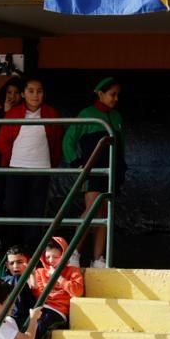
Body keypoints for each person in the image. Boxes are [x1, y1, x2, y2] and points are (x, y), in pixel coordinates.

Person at [0, 74, 64, 250]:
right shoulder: (13, 114)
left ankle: (32, 251)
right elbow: (1, 141)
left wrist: (51, 165)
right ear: (23, 94)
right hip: (15, 169)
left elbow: (57, 143)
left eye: (39, 91)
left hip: (41, 170)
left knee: (36, 210)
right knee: (11, 207)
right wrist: (14, 159)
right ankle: (11, 250)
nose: (35, 95)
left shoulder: (52, 114)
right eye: (31, 91)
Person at [61, 76, 124, 268]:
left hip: (111, 170)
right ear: (100, 94)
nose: (115, 99)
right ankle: (74, 253)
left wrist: (122, 167)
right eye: (112, 94)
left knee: (104, 213)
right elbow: (68, 141)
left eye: (117, 95)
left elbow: (122, 145)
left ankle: (98, 259)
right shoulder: (87, 113)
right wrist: (76, 163)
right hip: (94, 170)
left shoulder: (117, 117)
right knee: (91, 211)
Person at [28, 236, 85, 339]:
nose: (50, 260)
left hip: (58, 311)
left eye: (55, 257)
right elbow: (39, 294)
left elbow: (78, 291)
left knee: (39, 326)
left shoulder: (73, 271)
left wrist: (58, 278)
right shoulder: (40, 272)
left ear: (64, 256)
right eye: (47, 256)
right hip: (42, 307)